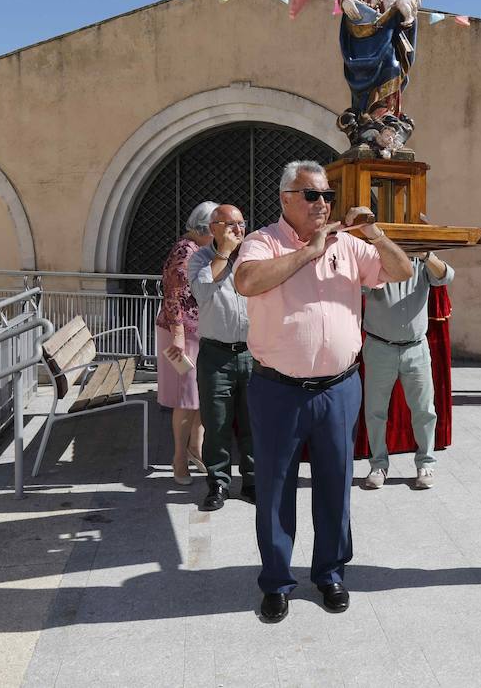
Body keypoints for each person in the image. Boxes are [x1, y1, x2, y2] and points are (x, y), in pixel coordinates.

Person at [234, 160, 413, 623]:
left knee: (336, 486)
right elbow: (246, 281)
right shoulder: (262, 241)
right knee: (274, 490)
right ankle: (276, 581)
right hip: (277, 390)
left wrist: (374, 234)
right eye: (311, 194)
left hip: (338, 387)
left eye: (326, 196)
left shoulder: (350, 246)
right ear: (285, 198)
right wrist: (308, 252)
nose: (322, 203)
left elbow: (401, 269)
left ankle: (330, 572)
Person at [360, 250, 453, 491]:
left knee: (424, 410)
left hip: (416, 348)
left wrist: (426, 255)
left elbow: (446, 276)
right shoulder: (375, 261)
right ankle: (378, 464)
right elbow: (362, 286)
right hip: (380, 347)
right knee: (375, 411)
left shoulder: (423, 264)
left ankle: (425, 463)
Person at [188, 203, 254, 512]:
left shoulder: (254, 256)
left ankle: (252, 480)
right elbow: (202, 290)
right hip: (216, 355)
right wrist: (224, 253)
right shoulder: (200, 259)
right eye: (230, 224)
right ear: (213, 227)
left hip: (254, 353)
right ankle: (218, 483)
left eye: (241, 223)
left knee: (253, 422)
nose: (238, 230)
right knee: (217, 424)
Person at [156, 202, 216, 485]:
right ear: (204, 229)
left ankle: (196, 448)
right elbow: (173, 296)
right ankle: (179, 458)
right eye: (215, 229)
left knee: (198, 395)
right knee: (185, 398)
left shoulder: (201, 251)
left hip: (197, 331)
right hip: (182, 336)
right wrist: (178, 336)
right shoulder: (186, 252)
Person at [338, 0, 418, 119]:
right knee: (364, 73)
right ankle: (364, 115)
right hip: (363, 30)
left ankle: (385, 113)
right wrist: (346, 0)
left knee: (392, 64)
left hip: (388, 29)